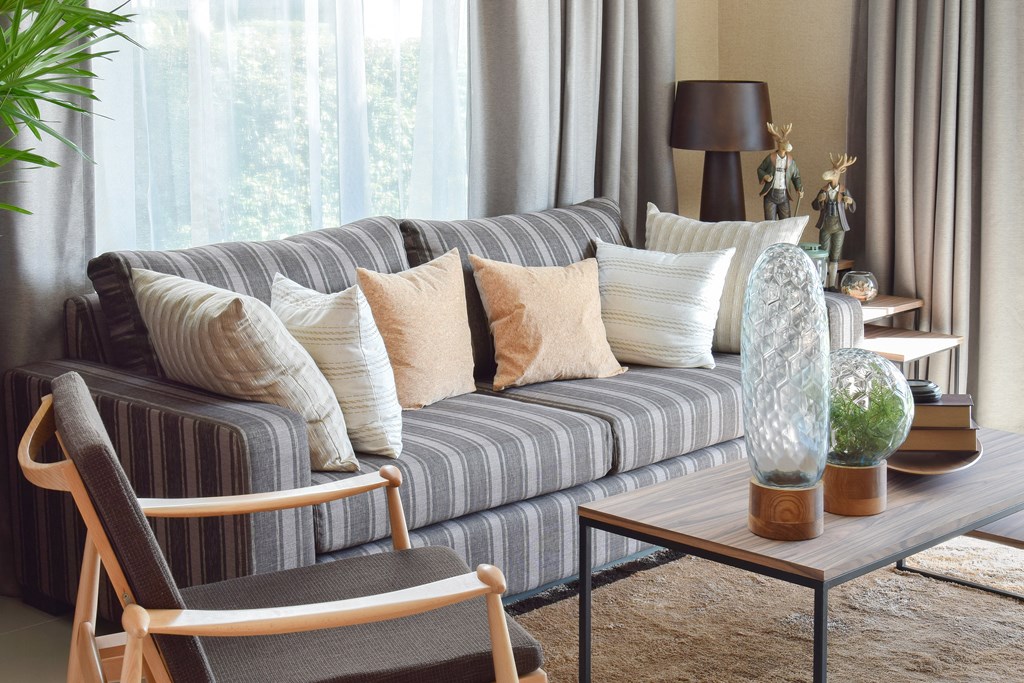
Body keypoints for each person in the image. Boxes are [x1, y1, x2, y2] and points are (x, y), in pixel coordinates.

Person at [812, 153, 857, 289]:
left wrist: (850, 201)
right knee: (823, 254)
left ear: (838, 173)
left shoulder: (844, 191)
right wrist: (819, 200)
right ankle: (822, 284)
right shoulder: (823, 190)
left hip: (839, 226)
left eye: (833, 172)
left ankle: (832, 284)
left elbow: (853, 207)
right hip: (825, 225)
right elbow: (814, 205)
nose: (830, 174)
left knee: (835, 256)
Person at [757, 122, 803, 220]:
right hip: (770, 196)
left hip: (784, 196)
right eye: (783, 142)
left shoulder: (791, 161)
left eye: (787, 141)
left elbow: (796, 176)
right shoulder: (770, 158)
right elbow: (760, 169)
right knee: (769, 224)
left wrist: (798, 188)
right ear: (778, 144)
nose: (786, 143)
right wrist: (765, 176)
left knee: (785, 223)